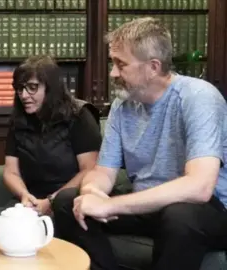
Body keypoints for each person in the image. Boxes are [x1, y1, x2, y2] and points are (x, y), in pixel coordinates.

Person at [52, 17, 227, 270]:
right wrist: (91, 194)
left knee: (180, 215)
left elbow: (199, 187)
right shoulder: (123, 106)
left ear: (153, 67)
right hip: (147, 204)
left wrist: (110, 205)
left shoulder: (199, 97)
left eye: (120, 64)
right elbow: (103, 172)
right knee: (68, 201)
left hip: (208, 210)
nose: (112, 73)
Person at [2, 55, 102, 216]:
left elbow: (89, 169)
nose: (24, 95)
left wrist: (50, 201)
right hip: (31, 199)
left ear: (50, 88)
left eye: (32, 87)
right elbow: (10, 171)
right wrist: (24, 195)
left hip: (70, 197)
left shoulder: (79, 115)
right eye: (20, 88)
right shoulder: (18, 120)